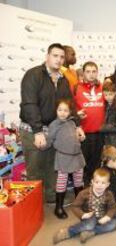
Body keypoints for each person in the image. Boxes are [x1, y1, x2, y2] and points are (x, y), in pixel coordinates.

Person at [19, 43, 84, 203]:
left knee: (51, 167)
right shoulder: (33, 75)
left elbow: (69, 104)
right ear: (47, 56)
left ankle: (50, 197)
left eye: (62, 57)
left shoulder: (62, 80)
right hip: (33, 130)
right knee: (35, 170)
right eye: (55, 55)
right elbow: (29, 104)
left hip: (55, 130)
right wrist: (38, 131)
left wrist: (77, 125)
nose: (59, 59)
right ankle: (33, 206)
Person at [53, 168, 116, 244]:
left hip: (101, 217)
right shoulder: (84, 193)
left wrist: (107, 217)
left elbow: (112, 208)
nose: (99, 185)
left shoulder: (109, 194)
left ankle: (90, 232)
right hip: (89, 217)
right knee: (90, 224)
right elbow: (75, 206)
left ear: (107, 184)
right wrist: (83, 215)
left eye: (103, 183)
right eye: (97, 182)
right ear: (92, 182)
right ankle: (69, 232)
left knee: (113, 224)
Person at [46, 99, 85, 219]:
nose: (62, 113)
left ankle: (80, 204)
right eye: (60, 110)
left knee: (78, 181)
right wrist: (42, 144)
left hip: (77, 156)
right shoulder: (53, 125)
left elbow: (76, 137)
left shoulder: (73, 123)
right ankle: (58, 207)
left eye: (65, 110)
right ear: (56, 111)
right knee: (62, 182)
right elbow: (49, 141)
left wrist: (81, 138)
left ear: (70, 112)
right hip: (63, 157)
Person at [73, 61, 105, 186]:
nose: (91, 74)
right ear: (83, 73)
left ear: (97, 73)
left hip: (100, 132)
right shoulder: (76, 88)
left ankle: (95, 185)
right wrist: (76, 114)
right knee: (83, 162)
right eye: (88, 71)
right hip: (84, 132)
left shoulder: (103, 87)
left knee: (96, 162)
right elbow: (69, 108)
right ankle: (84, 187)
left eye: (94, 71)